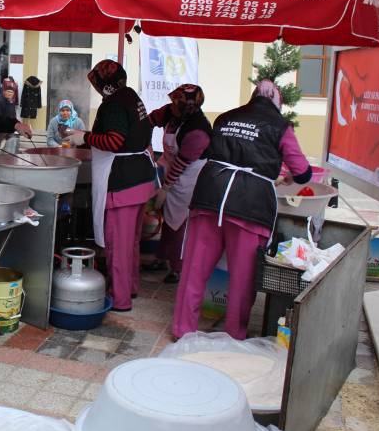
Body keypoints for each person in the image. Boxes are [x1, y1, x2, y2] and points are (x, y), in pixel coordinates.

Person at [173, 80, 313, 340]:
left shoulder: (225, 117)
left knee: (194, 269)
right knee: (242, 278)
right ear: (278, 102)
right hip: (249, 206)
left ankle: (183, 329)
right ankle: (234, 334)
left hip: (210, 196)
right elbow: (304, 173)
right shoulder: (281, 127)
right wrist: (284, 175)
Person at [66, 60, 157, 312]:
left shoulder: (115, 104)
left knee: (119, 246)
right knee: (132, 243)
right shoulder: (130, 96)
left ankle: (120, 299)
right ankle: (131, 287)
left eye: (97, 83)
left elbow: (115, 141)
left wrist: (83, 136)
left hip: (122, 182)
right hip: (140, 180)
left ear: (104, 85)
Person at [148, 85, 213, 284]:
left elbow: (181, 164)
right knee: (167, 219)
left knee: (178, 221)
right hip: (169, 164)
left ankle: (177, 268)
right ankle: (161, 258)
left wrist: (165, 188)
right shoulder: (171, 112)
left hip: (190, 176)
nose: (171, 106)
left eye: (175, 104)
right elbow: (148, 120)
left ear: (187, 108)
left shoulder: (198, 131)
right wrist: (145, 143)